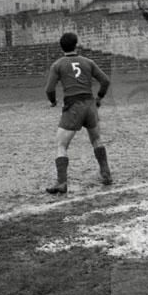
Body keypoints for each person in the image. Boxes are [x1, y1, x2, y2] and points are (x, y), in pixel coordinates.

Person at [44, 32, 111, 194]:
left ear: (61, 47)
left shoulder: (58, 65)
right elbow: (105, 81)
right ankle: (106, 174)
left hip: (73, 106)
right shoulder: (88, 62)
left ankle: (62, 182)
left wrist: (53, 101)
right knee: (96, 139)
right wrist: (99, 98)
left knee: (61, 145)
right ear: (76, 45)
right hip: (89, 104)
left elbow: (49, 89)